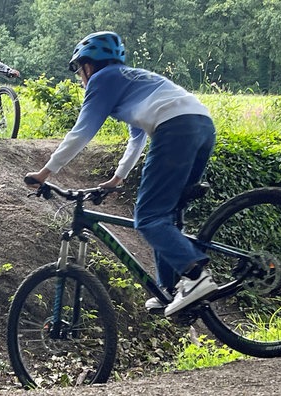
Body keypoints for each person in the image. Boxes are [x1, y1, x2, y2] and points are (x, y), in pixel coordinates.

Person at [25, 31, 217, 317]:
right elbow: (137, 137)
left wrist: (44, 172)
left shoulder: (103, 80)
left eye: (79, 69)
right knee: (165, 216)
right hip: (203, 126)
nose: (80, 77)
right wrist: (118, 177)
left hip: (174, 128)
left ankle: (194, 274)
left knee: (149, 217)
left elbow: (82, 132)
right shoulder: (132, 78)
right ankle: (171, 291)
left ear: (88, 66)